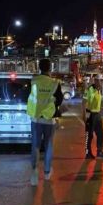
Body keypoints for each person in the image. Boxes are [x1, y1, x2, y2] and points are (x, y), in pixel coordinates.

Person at [26, 58, 63, 186]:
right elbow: (59, 100)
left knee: (35, 146)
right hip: (49, 119)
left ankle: (34, 171)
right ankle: (47, 173)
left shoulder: (34, 81)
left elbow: (29, 96)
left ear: (39, 67)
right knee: (48, 146)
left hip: (36, 118)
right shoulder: (54, 83)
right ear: (49, 68)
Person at [83, 78, 103, 159]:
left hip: (97, 114)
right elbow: (84, 102)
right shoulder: (89, 89)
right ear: (96, 81)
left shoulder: (98, 89)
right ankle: (87, 153)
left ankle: (99, 152)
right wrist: (83, 115)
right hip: (90, 114)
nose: (102, 83)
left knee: (100, 134)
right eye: (101, 81)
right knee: (89, 135)